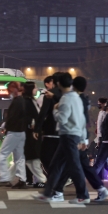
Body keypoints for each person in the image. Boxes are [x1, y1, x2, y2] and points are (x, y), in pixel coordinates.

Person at [49, 76, 108, 202]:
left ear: (73, 85)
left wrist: (83, 140)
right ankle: (99, 189)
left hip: (75, 136)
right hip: (78, 136)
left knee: (71, 164)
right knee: (78, 164)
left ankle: (63, 192)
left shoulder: (78, 99)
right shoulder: (82, 98)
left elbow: (81, 119)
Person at [34, 73, 90, 204]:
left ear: (58, 83)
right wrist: (83, 139)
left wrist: (55, 110)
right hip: (74, 134)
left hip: (67, 135)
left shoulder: (65, 99)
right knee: (56, 165)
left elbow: (62, 119)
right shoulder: (76, 98)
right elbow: (82, 119)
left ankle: (83, 195)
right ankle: (48, 193)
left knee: (74, 166)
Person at [0, 81, 28, 188]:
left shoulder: (16, 101)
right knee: (20, 157)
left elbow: (12, 117)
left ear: (14, 89)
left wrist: (5, 126)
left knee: (2, 155)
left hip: (13, 132)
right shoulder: (23, 101)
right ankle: (22, 180)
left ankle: (4, 178)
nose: (8, 92)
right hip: (22, 132)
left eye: (9, 90)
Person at [34, 75, 62, 174]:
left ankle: (54, 177)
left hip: (50, 131)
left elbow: (43, 113)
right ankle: (59, 178)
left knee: (45, 156)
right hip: (65, 131)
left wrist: (37, 129)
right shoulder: (68, 95)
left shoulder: (49, 94)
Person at [22, 82, 46, 188]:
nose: (37, 89)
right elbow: (28, 116)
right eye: (35, 88)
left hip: (34, 133)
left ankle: (35, 179)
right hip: (31, 134)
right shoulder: (27, 101)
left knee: (30, 158)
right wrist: (31, 123)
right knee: (33, 158)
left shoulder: (32, 100)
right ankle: (39, 179)